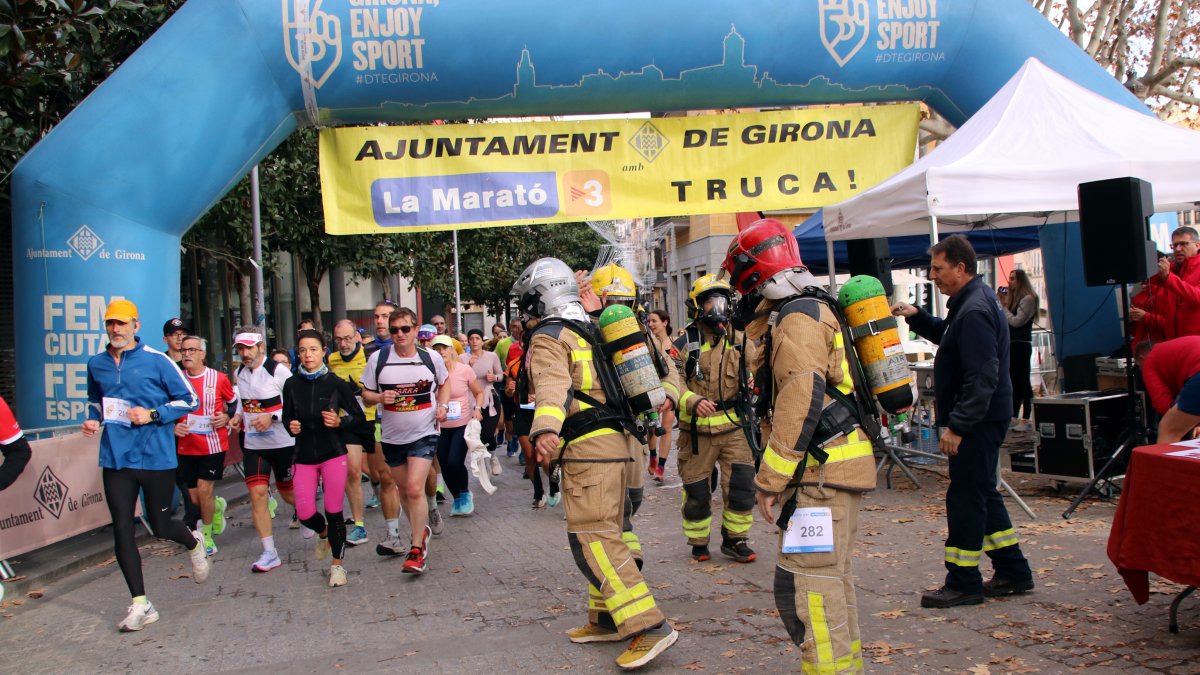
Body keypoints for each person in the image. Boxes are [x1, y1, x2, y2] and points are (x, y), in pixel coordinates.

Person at [721, 219, 875, 672]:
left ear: (751, 273)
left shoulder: (797, 315)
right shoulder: (811, 306)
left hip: (819, 475)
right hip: (830, 470)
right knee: (829, 584)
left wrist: (770, 481)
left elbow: (798, 397)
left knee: (811, 592)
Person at [514, 257, 678, 670]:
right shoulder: (596, 326)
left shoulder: (552, 336)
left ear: (540, 299)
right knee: (614, 529)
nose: (526, 313)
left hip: (590, 451)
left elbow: (553, 385)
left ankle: (648, 625)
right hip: (623, 446)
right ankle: (606, 619)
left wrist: (545, 429)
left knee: (594, 540)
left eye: (528, 304)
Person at [891, 234, 1034, 608]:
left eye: (938, 269)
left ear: (961, 267)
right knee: (983, 490)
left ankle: (963, 581)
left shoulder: (973, 310)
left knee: (966, 498)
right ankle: (1013, 571)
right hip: (984, 417)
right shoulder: (971, 303)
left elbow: (982, 376)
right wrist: (918, 317)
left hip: (978, 420)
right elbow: (952, 339)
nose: (933, 275)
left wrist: (958, 426)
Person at [82, 299, 208, 632]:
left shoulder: (157, 361)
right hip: (117, 458)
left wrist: (153, 414)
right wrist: (92, 420)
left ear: (136, 326)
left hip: (156, 457)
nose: (115, 329)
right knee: (122, 527)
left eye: (122, 324)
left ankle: (194, 542)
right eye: (110, 323)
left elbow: (189, 400)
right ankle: (141, 603)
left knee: (161, 524)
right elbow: (96, 401)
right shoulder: (96, 363)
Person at [673, 275, 757, 564]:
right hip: (697, 432)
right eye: (709, 301)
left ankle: (736, 540)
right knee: (697, 489)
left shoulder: (741, 341)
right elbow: (671, 381)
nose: (716, 308)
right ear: (697, 306)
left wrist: (753, 382)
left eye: (721, 300)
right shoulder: (685, 343)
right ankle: (698, 543)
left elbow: (756, 370)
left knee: (742, 486)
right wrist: (691, 401)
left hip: (734, 426)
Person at [361, 307, 450, 574]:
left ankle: (415, 549)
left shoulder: (430, 356)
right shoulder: (378, 359)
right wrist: (378, 399)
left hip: (424, 432)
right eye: (394, 330)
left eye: (405, 329)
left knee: (413, 488)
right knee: (405, 492)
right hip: (392, 436)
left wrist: (442, 405)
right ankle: (420, 533)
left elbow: (444, 382)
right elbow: (366, 393)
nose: (399, 334)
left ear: (414, 329)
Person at [283, 329, 366, 588]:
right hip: (303, 456)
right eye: (303, 350)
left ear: (323, 352)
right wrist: (290, 426)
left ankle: (338, 567)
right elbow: (287, 416)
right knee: (306, 513)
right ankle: (323, 533)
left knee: (334, 511)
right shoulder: (291, 384)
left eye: (313, 349)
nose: (308, 355)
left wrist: (340, 421)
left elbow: (359, 419)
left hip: (333, 454)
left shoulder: (335, 383)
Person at [229, 327, 298, 573]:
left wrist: (273, 417)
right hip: (254, 445)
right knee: (257, 494)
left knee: (288, 494)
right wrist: (237, 416)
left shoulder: (279, 371)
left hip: (282, 443)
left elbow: (295, 404)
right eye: (240, 349)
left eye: (249, 348)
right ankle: (269, 552)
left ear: (261, 347)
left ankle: (305, 513)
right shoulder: (240, 372)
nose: (245, 353)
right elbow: (243, 401)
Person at [173, 335, 236, 555]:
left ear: (202, 354)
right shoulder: (176, 379)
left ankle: (207, 537)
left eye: (192, 350)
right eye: (184, 350)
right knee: (194, 496)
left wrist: (226, 416)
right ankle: (216, 506)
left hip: (213, 444)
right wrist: (174, 426)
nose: (187, 354)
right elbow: (166, 409)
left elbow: (234, 403)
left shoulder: (218, 379)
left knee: (204, 489)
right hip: (186, 445)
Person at [328, 320, 375, 546]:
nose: (343, 344)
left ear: (357, 337)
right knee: (353, 472)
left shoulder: (370, 356)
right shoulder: (332, 360)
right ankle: (359, 526)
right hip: (349, 422)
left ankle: (382, 500)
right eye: (338, 340)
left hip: (373, 419)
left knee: (381, 475)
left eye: (347, 338)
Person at [433, 334, 486, 516]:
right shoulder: (430, 372)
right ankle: (456, 496)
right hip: (439, 426)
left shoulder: (464, 370)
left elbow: (479, 392)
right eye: (437, 349)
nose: (441, 352)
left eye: (444, 348)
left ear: (452, 350)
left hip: (461, 423)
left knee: (454, 460)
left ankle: (464, 492)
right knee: (444, 463)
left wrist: (477, 409)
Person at [1137, 336, 1200, 443]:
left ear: (1142, 357)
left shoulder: (1149, 360)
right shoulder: (1172, 349)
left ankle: (1163, 460)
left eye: (1139, 366)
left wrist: (1183, 424)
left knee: (1168, 429)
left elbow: (1162, 402)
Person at [1143, 226, 1200, 340]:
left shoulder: (1171, 274)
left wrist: (1169, 278)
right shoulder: (1172, 268)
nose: (1178, 249)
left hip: (1195, 342)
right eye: (1174, 245)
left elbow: (1197, 296)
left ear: (1197, 245)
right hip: (1173, 341)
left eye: (1183, 244)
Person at [1000, 269, 1039, 432]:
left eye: (1013, 279)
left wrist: (1003, 308)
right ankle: (1014, 415)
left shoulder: (1028, 299)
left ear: (1021, 280)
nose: (1010, 282)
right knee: (1014, 380)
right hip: (1012, 344)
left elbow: (1016, 321)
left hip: (1021, 344)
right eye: (1009, 279)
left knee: (1022, 381)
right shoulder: (1015, 299)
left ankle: (1026, 416)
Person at [461, 328, 505, 475]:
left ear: (482, 341)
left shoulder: (491, 356)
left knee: (487, 433)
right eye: (471, 338)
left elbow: (500, 374)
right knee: (477, 435)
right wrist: (469, 367)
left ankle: (492, 456)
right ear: (468, 341)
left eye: (477, 338)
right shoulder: (462, 358)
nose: (474, 341)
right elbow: (459, 376)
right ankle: (484, 462)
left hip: (490, 398)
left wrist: (495, 378)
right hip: (471, 400)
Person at [645, 309, 678, 482]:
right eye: (649, 321)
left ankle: (661, 467)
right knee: (652, 425)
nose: (651, 324)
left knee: (666, 426)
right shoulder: (648, 342)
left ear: (665, 322)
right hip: (652, 388)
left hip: (670, 389)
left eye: (654, 321)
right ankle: (652, 456)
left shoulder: (674, 343)